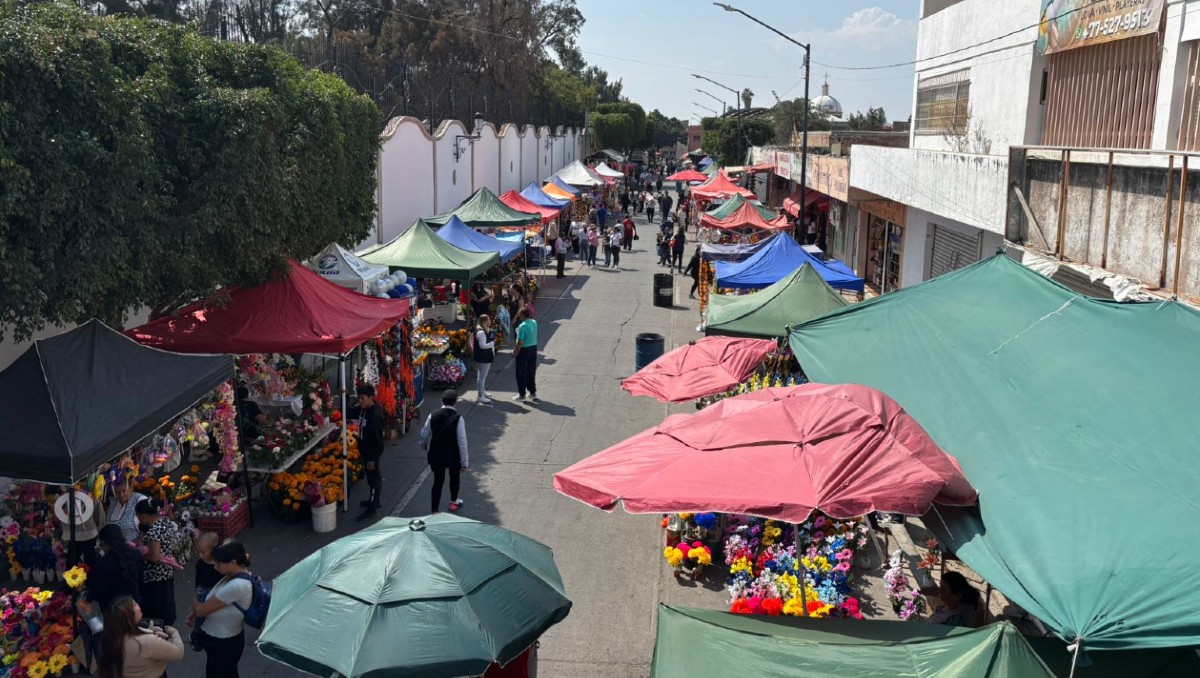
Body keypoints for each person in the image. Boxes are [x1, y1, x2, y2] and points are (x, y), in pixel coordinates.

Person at [188, 540, 254, 678]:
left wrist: (196, 595)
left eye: (219, 563)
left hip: (223, 644)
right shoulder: (233, 576)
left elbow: (201, 610)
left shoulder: (237, 585)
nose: (215, 567)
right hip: (221, 641)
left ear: (233, 562)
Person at [98, 596, 184, 678]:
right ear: (130, 615)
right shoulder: (147, 642)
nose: (138, 605)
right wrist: (172, 631)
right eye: (135, 604)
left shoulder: (111, 640)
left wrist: (148, 632)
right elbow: (178, 652)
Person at [419, 390, 471, 513]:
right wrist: (465, 462)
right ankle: (453, 502)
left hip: (436, 454)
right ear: (455, 402)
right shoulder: (458, 418)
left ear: (441, 401)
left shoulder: (433, 415)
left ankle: (434, 510)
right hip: (453, 455)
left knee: (438, 481)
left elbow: (424, 433)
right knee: (454, 478)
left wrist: (423, 446)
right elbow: (462, 441)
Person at [135, 499, 179, 626]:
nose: (139, 520)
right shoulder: (164, 522)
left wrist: (142, 554)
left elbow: (154, 557)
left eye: (138, 517)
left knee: (158, 610)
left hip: (156, 577)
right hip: (166, 573)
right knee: (167, 603)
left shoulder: (154, 531)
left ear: (143, 516)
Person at [89, 524, 144, 613]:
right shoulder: (136, 555)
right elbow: (141, 580)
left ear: (104, 543)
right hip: (134, 603)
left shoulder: (103, 563)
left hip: (113, 609)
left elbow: (98, 591)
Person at [355, 384, 385, 522]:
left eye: (362, 398)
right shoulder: (364, 410)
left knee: (374, 478)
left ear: (370, 398)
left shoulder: (374, 416)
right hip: (365, 451)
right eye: (358, 398)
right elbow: (350, 411)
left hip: (371, 454)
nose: (360, 401)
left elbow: (378, 440)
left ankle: (373, 506)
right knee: (371, 478)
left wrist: (372, 459)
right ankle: (374, 499)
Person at [188, 532, 221, 651]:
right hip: (204, 592)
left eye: (203, 552)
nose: (200, 555)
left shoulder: (221, 564)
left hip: (216, 593)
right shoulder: (200, 564)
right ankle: (197, 634)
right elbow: (198, 583)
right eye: (198, 552)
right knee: (201, 616)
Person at [59, 484, 105, 566]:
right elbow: (100, 518)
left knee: (73, 564)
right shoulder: (92, 496)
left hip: (73, 535)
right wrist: (100, 534)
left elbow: (62, 517)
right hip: (88, 534)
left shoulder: (65, 496)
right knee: (89, 563)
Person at [108, 478, 148, 544]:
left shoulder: (140, 500)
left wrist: (136, 544)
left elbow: (147, 524)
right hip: (114, 547)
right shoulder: (113, 501)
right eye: (117, 492)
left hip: (134, 547)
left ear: (131, 488)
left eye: (124, 491)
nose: (121, 495)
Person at [511, 308, 539, 403]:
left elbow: (520, 342)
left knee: (521, 372)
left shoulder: (522, 326)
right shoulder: (534, 322)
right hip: (533, 348)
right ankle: (532, 392)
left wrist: (516, 352)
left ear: (523, 315)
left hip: (524, 350)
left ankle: (522, 394)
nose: (519, 316)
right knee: (531, 371)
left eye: (520, 314)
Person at [473, 315, 496, 404]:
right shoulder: (481, 332)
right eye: (489, 319)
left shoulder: (483, 330)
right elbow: (482, 346)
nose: (490, 321)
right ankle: (480, 396)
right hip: (483, 357)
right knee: (482, 377)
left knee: (483, 376)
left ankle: (482, 391)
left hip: (485, 356)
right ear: (484, 321)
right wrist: (492, 343)